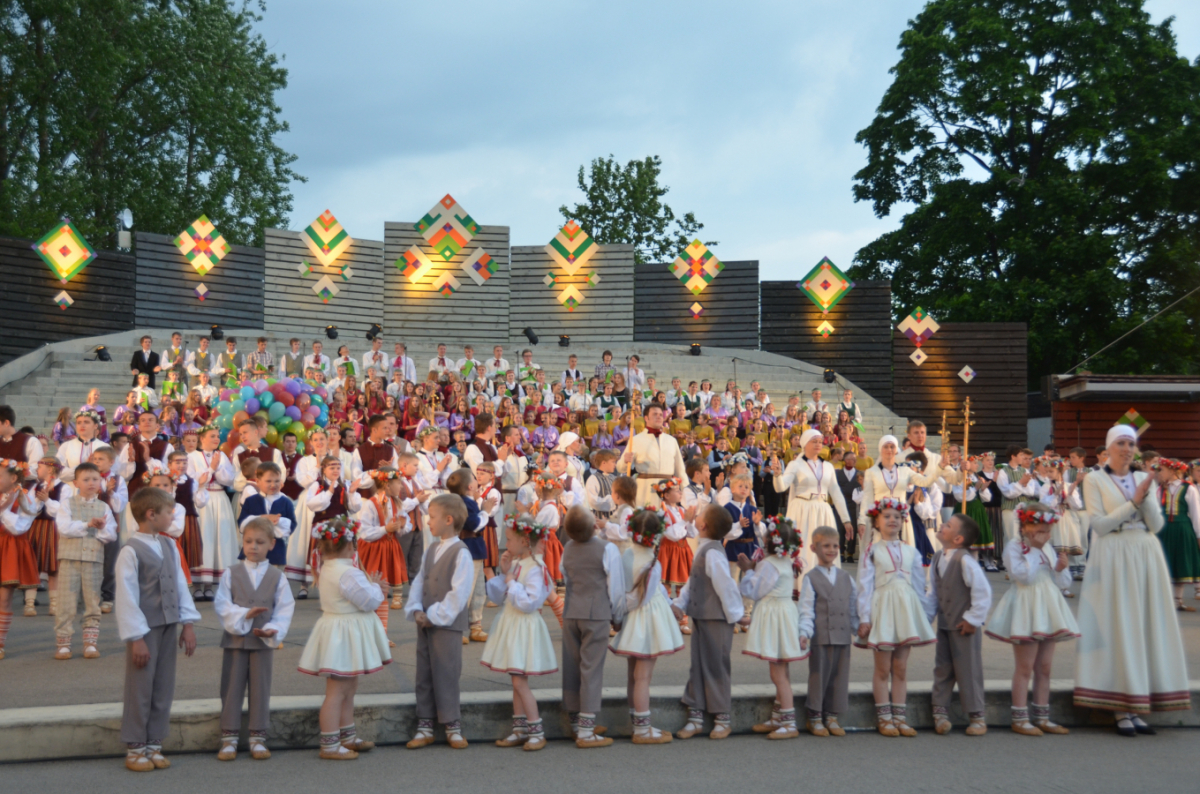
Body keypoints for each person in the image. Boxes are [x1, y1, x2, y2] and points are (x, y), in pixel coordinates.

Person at [1074, 425, 1191, 734]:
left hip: (1146, 552)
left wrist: (1147, 494)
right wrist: (1133, 502)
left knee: (1144, 625)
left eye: (1131, 443)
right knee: (1120, 625)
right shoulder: (1095, 479)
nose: (1127, 448)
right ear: (1109, 447)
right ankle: (1119, 709)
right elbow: (1099, 526)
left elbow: (1155, 524)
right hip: (1113, 553)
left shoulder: (1142, 477)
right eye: (1121, 442)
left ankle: (1138, 705)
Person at [115, 486, 199, 772]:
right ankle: (135, 746)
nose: (172, 518)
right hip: (145, 629)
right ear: (151, 515)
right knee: (141, 687)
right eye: (168, 513)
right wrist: (136, 638)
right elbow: (126, 597)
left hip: (169, 625)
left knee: (163, 685)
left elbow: (180, 586)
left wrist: (187, 624)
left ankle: (154, 743)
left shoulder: (169, 545)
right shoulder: (130, 550)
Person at [297, 515, 391, 759]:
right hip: (344, 635)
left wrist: (371, 588)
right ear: (350, 546)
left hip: (342, 632)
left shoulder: (329, 568)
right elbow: (366, 601)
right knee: (338, 692)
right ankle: (329, 744)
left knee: (348, 688)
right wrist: (378, 589)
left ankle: (347, 736)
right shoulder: (348, 573)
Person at [985, 504, 1080, 736]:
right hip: (1027, 606)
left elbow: (1063, 583)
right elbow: (1023, 577)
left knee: (1045, 667)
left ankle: (1042, 716)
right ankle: (1020, 717)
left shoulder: (1047, 548)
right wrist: (1035, 551)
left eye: (1048, 531)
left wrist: (1059, 568)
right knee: (1025, 666)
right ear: (1026, 527)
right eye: (1041, 530)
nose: (1047, 535)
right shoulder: (1014, 547)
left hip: (1047, 606)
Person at [213, 518, 295, 761]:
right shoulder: (231, 572)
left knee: (261, 688)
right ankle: (229, 738)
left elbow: (284, 609)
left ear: (272, 544)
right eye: (248, 541)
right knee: (231, 688)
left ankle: (258, 737)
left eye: (260, 542)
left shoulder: (277, 576)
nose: (253, 547)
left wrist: (273, 629)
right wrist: (243, 615)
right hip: (235, 641)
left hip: (263, 643)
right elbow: (222, 604)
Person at [855, 498, 936, 737]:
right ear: (876, 522)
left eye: (897, 517)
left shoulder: (912, 551)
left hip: (906, 611)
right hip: (883, 611)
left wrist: (924, 616)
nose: (892, 520)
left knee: (900, 667)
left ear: (903, 522)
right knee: (883, 668)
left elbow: (920, 585)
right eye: (886, 516)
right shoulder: (871, 550)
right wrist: (864, 617)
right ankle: (884, 718)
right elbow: (864, 586)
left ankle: (900, 717)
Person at [482, 514, 558, 751]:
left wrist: (512, 582)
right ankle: (520, 729)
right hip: (511, 626)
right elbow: (497, 596)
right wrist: (504, 572)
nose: (507, 545)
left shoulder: (538, 568)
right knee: (515, 680)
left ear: (525, 541)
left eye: (510, 540)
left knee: (519, 681)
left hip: (524, 628)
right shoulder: (516, 564)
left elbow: (530, 603)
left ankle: (536, 731)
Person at [672, 504, 748, 739]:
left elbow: (726, 586)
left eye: (700, 514)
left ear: (702, 525)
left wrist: (737, 615)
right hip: (702, 615)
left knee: (716, 665)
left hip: (717, 618)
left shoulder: (713, 552)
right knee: (698, 664)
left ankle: (722, 717)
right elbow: (693, 582)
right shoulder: (705, 548)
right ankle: (695, 716)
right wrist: (679, 604)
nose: (697, 515)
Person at [404, 494, 473, 750]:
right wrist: (416, 609)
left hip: (446, 624)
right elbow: (420, 580)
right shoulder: (432, 548)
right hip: (425, 622)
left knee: (446, 673)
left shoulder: (460, 552)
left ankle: (452, 724)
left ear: (448, 520)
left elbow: (459, 592)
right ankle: (425, 724)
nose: (428, 521)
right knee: (424, 673)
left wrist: (434, 615)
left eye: (432, 517)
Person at [609, 507, 683, 743]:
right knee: (643, 678)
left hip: (632, 620)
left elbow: (620, 593)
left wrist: (618, 618)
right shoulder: (652, 561)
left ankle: (636, 721)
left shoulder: (627, 555)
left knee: (633, 675)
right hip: (647, 621)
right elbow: (644, 595)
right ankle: (643, 729)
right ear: (657, 535)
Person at [559, 504, 625, 747]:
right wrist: (618, 617)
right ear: (595, 524)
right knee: (591, 668)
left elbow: (565, 574)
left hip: (571, 611)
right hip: (596, 613)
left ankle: (577, 721)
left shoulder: (567, 548)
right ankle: (587, 728)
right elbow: (615, 588)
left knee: (572, 666)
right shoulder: (607, 549)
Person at [736, 515, 804, 739]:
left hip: (775, 617)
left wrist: (747, 570)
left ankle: (788, 722)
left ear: (769, 542)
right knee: (781, 670)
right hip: (784, 614)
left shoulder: (768, 565)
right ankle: (778, 716)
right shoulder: (787, 562)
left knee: (778, 673)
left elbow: (753, 591)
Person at [929, 514, 992, 736]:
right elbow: (933, 594)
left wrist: (973, 619)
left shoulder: (965, 560)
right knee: (942, 668)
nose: (942, 526)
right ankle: (940, 714)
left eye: (948, 525)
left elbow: (982, 593)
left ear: (957, 539)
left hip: (965, 627)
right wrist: (925, 622)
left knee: (968, 669)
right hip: (945, 625)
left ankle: (977, 716)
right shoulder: (937, 558)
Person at [51, 461, 118, 660]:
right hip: (69, 559)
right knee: (66, 601)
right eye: (86, 479)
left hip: (93, 559)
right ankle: (63, 643)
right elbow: (64, 527)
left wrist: (101, 528)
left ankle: (90, 643)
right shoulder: (67, 504)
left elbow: (111, 535)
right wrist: (88, 524)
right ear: (76, 482)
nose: (91, 483)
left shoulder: (104, 505)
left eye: (95, 479)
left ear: (101, 482)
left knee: (92, 600)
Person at [798, 525, 859, 738]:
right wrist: (804, 632)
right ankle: (814, 716)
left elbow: (853, 607)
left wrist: (858, 630)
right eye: (826, 546)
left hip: (842, 636)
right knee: (819, 676)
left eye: (835, 546)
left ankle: (832, 716)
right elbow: (806, 608)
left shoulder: (846, 578)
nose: (831, 550)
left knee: (839, 676)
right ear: (814, 548)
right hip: (821, 636)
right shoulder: (810, 577)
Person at [770, 428, 852, 574]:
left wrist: (846, 520)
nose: (818, 444)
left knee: (824, 548)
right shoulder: (795, 464)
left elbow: (837, 493)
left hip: (823, 510)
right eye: (814, 441)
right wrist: (777, 475)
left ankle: (825, 583)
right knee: (804, 549)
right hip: (802, 510)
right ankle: (801, 586)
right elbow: (780, 487)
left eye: (820, 441)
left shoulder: (828, 466)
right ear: (804, 444)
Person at [445, 467, 494, 643]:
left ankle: (476, 626)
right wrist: (486, 511)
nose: (476, 480)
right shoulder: (462, 503)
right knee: (466, 589)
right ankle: (457, 628)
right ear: (469, 487)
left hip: (475, 548)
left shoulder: (466, 501)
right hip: (468, 548)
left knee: (478, 590)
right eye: (474, 478)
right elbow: (474, 524)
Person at [187, 426, 236, 599]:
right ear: (202, 438)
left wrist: (216, 469)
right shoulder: (191, 456)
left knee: (218, 538)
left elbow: (230, 479)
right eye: (212, 436)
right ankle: (197, 585)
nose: (216, 439)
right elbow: (192, 480)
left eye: (217, 436)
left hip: (219, 498)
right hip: (201, 500)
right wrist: (211, 469)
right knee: (203, 538)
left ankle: (210, 585)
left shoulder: (221, 456)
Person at [1153, 459, 1200, 610]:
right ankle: (1164, 600)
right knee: (1164, 563)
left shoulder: (1188, 488)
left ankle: (1177, 600)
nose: (1159, 473)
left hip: (1182, 529)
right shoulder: (1160, 489)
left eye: (1162, 470)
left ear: (1172, 471)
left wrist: (1198, 535)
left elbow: (1196, 513)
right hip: (1163, 529)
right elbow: (1154, 511)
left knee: (1180, 562)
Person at [621, 404, 687, 508]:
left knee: (668, 521)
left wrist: (685, 490)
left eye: (661, 414)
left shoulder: (671, 440)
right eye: (655, 414)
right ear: (646, 418)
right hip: (645, 489)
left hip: (668, 490)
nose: (659, 417)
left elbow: (680, 469)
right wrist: (625, 461)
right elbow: (620, 468)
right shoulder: (636, 440)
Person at [25, 456, 65, 617]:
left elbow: (62, 510)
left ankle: (54, 604)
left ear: (50, 469)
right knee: (32, 564)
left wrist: (47, 500)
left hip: (53, 528)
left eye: (40, 467)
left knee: (53, 567)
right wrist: (38, 500)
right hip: (35, 527)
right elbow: (30, 509)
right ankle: (29, 604)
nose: (36, 470)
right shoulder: (35, 486)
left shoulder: (63, 488)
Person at [237, 462, 294, 569]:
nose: (273, 485)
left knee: (272, 583)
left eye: (277, 481)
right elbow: (241, 525)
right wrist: (264, 518)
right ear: (258, 481)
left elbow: (292, 526)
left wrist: (279, 521)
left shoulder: (285, 501)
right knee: (250, 583)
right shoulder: (251, 501)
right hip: (251, 552)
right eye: (268, 481)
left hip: (275, 552)